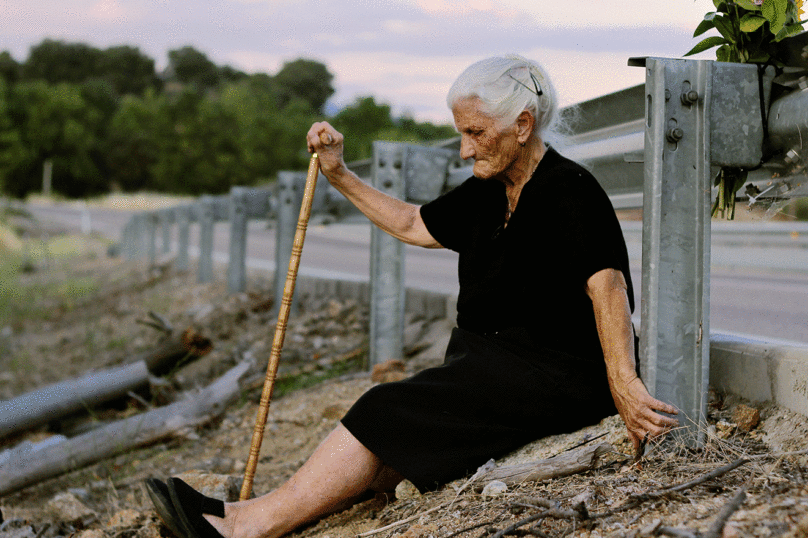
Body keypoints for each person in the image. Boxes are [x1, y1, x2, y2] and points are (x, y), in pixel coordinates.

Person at [146, 54, 679, 538]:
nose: (466, 148)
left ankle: (243, 527)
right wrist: (340, 174)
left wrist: (624, 385)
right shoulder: (488, 190)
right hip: (494, 366)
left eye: (475, 132)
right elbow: (410, 223)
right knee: (394, 441)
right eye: (461, 133)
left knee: (385, 407)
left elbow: (606, 286)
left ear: (522, 126)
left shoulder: (569, 189)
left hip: (552, 374)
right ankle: (244, 513)